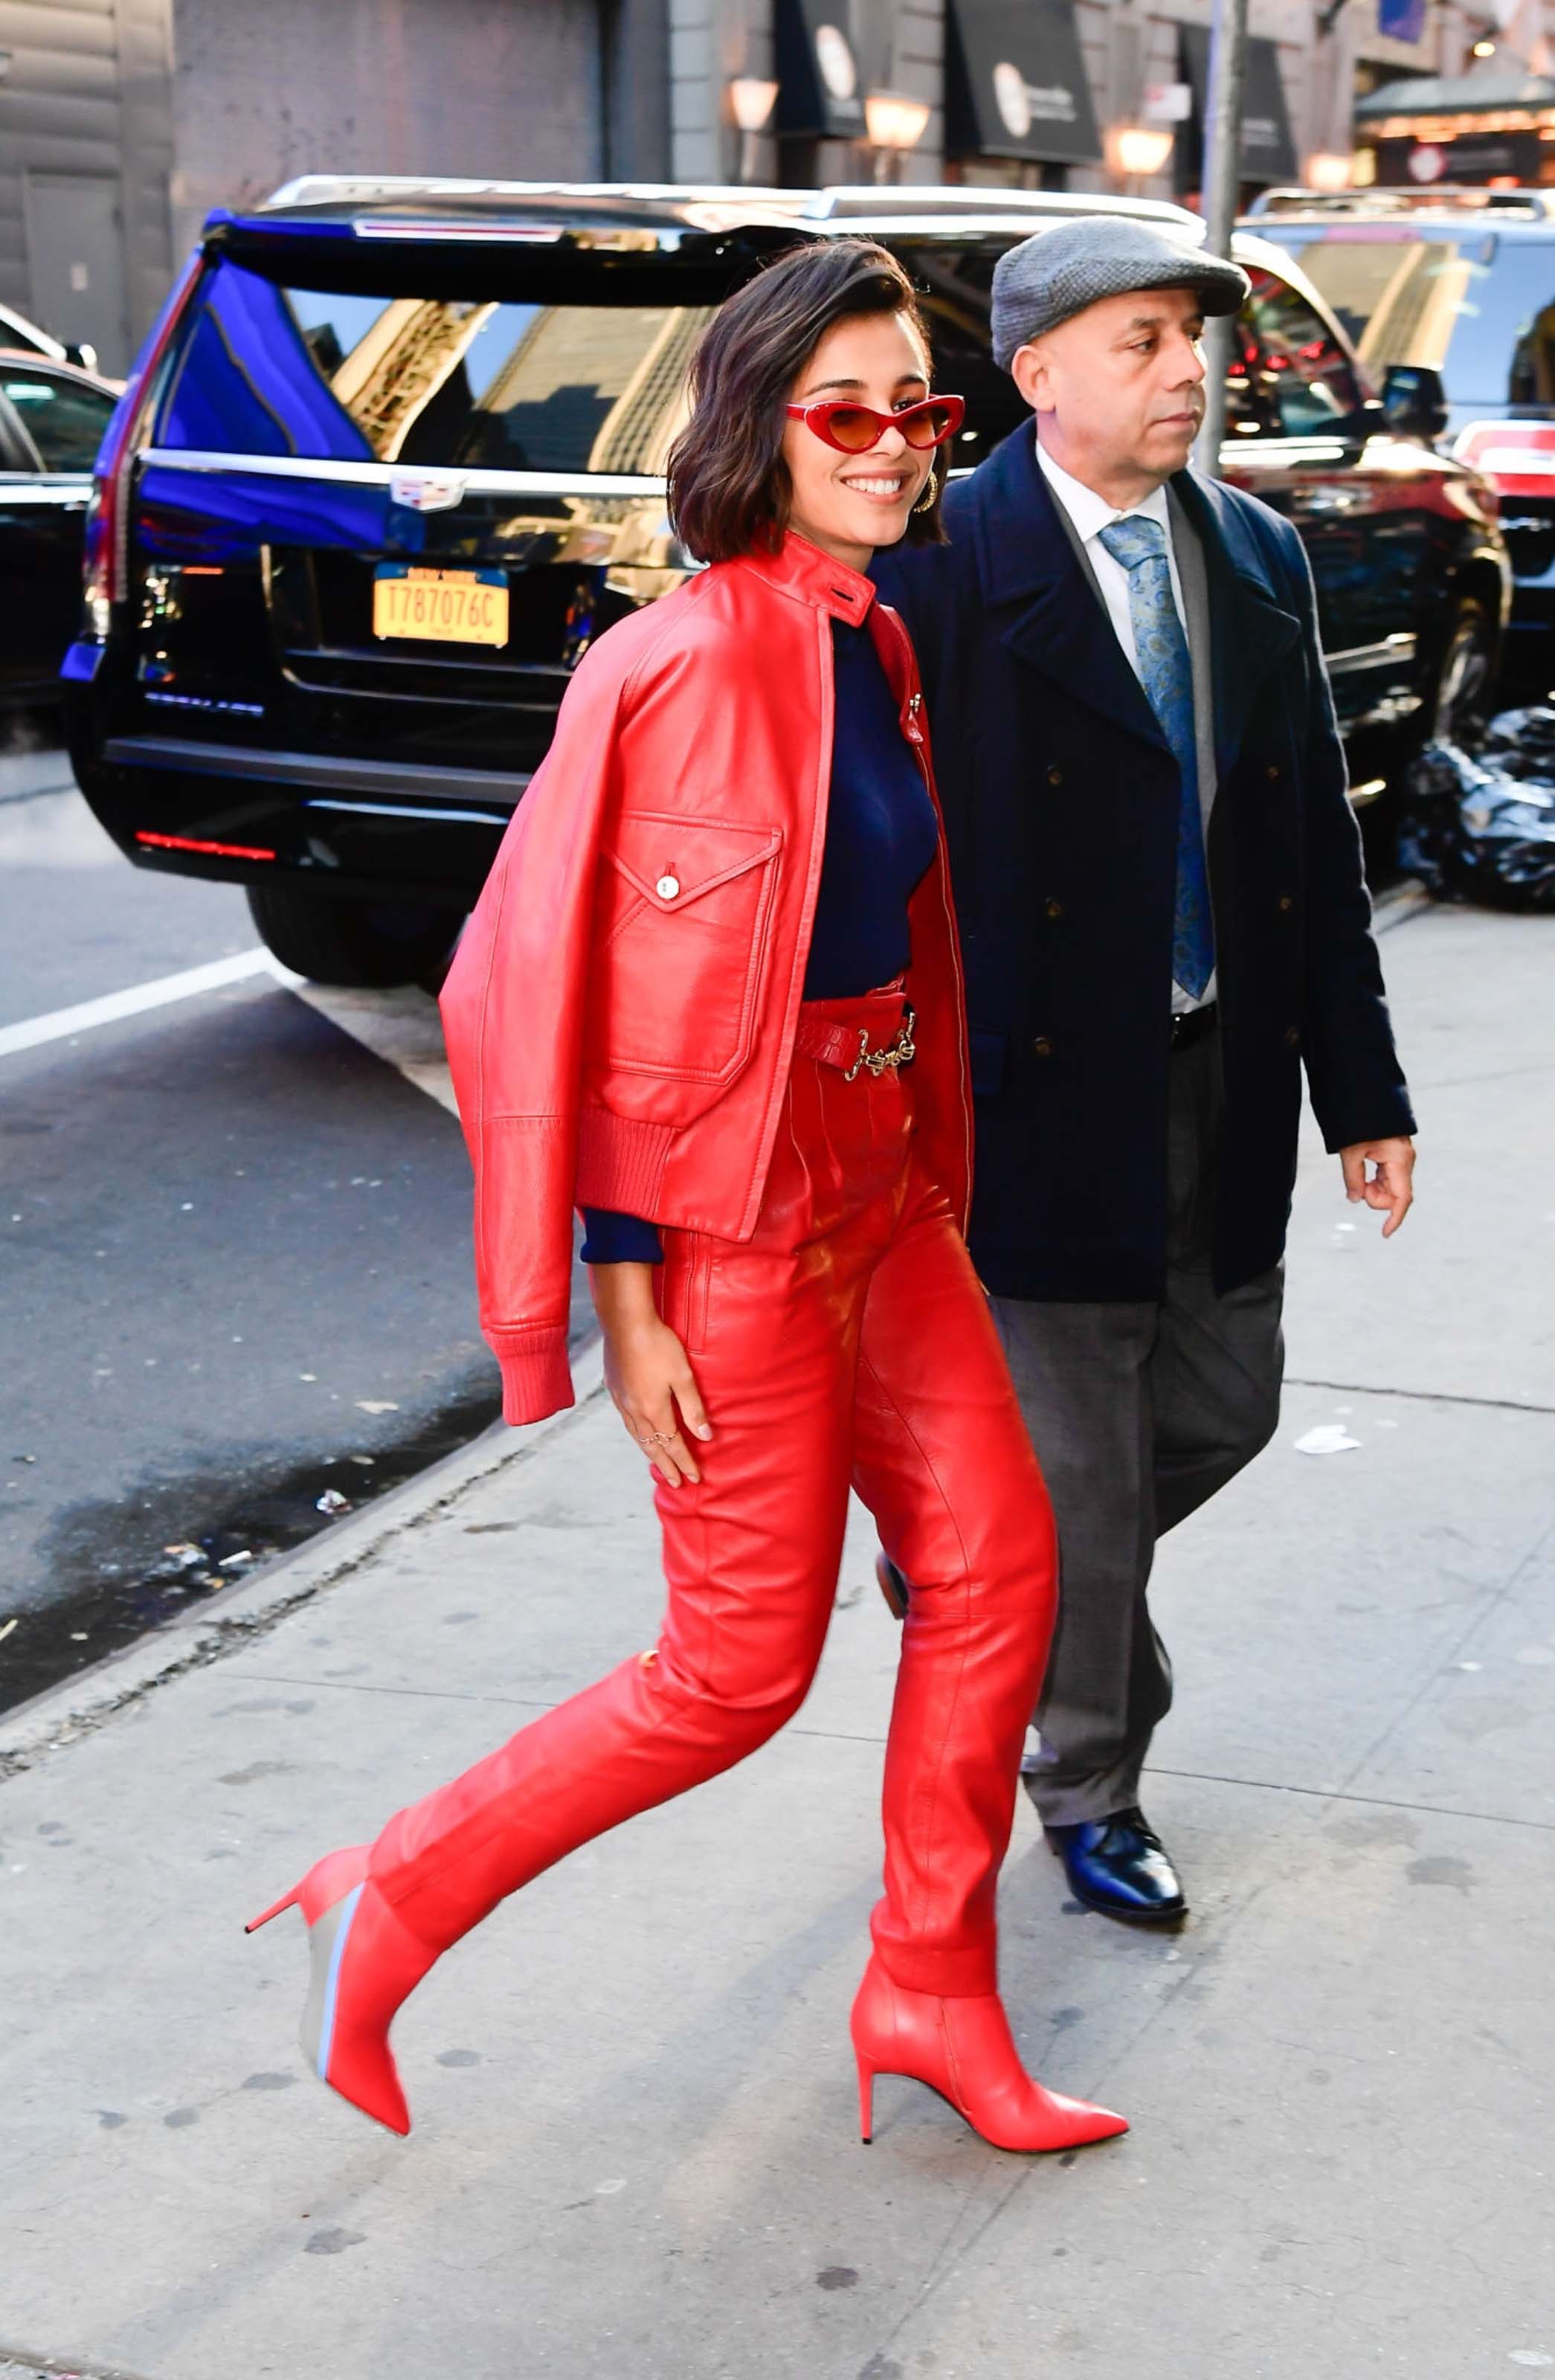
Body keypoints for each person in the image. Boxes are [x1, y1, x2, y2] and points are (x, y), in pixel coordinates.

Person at [245, 239, 1126, 2159]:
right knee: (732, 1674)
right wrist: (620, 1288)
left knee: (999, 1573)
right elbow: (557, 986)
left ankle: (928, 1985)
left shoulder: (865, 637)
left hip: (884, 1196)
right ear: (759, 425)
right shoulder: (677, 661)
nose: (895, 446)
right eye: (848, 412)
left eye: (923, 411)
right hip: (734, 1223)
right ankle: (382, 1896)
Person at [874, 218, 1417, 1926]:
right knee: (1087, 1479)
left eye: (1191, 337)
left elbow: (1305, 842)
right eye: (1138, 339)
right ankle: (1089, 1777)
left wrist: (1365, 1089)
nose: (1185, 369)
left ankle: (970, 1562)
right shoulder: (936, 565)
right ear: (1033, 375)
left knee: (1217, 1404)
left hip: (1215, 1067)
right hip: (1026, 1099)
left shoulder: (1251, 551)